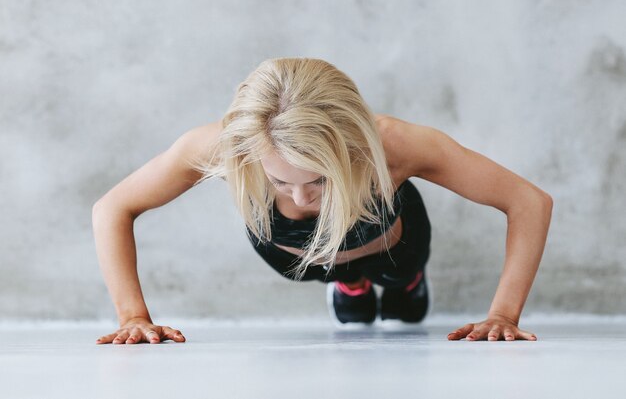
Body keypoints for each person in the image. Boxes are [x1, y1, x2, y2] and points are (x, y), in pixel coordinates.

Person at [92, 57, 553, 345]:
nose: (299, 197)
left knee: (402, 299)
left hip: (391, 246)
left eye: (319, 182)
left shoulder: (397, 144)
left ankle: (403, 283)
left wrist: (503, 314)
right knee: (337, 278)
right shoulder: (222, 145)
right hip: (295, 257)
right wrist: (134, 316)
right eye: (278, 181)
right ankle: (347, 284)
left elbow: (528, 201)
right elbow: (112, 208)